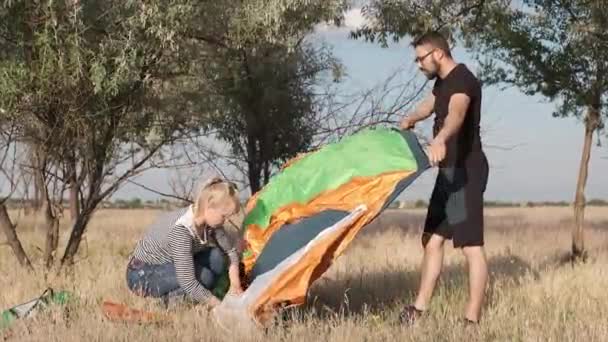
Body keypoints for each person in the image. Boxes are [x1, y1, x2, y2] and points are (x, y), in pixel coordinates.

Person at [399, 31, 490, 324]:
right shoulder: (443, 83)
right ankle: (419, 310)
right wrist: (412, 117)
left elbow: (456, 113)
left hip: (466, 171)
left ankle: (471, 320)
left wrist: (440, 139)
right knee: (433, 240)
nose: (418, 65)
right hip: (449, 172)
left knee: (470, 246)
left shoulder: (463, 81)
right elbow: (432, 104)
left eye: (420, 59)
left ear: (437, 53)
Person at [125, 177, 243, 309]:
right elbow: (188, 282)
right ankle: (167, 303)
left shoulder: (212, 224)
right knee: (205, 277)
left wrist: (235, 284)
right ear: (209, 206)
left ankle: (197, 295)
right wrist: (219, 306)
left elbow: (230, 252)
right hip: (142, 273)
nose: (225, 221)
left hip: (169, 265)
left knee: (217, 257)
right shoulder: (181, 230)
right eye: (224, 216)